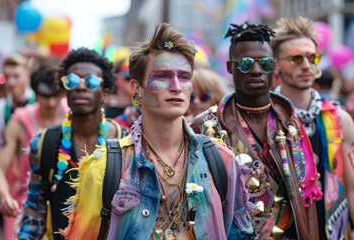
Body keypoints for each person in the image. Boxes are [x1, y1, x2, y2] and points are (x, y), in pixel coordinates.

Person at [60, 23, 254, 240]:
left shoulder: (221, 161)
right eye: (162, 76)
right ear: (137, 90)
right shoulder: (105, 167)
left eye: (184, 77)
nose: (176, 86)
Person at [191, 22, 322, 239]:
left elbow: (307, 199)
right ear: (229, 67)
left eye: (266, 63)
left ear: (275, 66)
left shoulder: (290, 122)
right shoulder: (204, 126)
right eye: (245, 64)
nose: (256, 70)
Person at [17, 48, 126, 240]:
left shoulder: (124, 143)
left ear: (105, 94)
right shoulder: (44, 143)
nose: (81, 87)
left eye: (91, 82)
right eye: (72, 81)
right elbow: (35, 209)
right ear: (64, 90)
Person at [271, 16, 354, 240]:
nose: (307, 65)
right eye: (296, 59)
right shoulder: (268, 119)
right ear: (276, 64)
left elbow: (351, 188)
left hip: (333, 229)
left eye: (312, 57)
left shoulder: (339, 119)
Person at [0, 65, 68, 240]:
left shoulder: (72, 117)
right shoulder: (20, 121)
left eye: (55, 96)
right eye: (45, 96)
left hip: (63, 205)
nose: (51, 103)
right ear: (35, 93)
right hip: (23, 203)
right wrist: (5, 197)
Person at [0, 55, 35, 161]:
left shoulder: (37, 101)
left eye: (16, 76)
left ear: (27, 76)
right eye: (7, 76)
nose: (11, 82)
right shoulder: (2, 106)